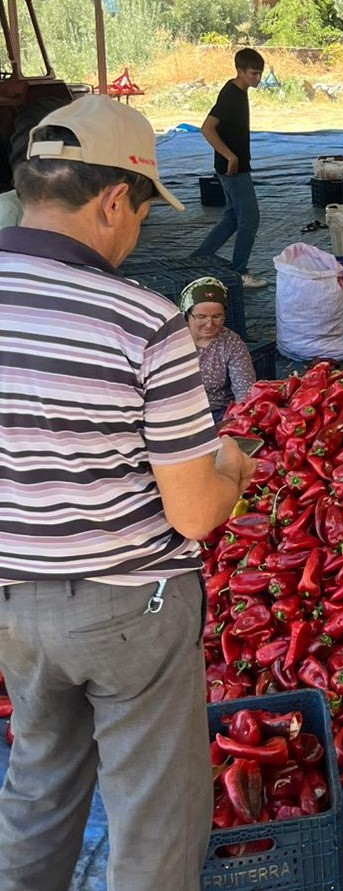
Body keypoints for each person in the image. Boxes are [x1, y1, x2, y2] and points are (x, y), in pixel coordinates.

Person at [0, 95, 258, 891]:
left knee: (37, 789)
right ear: (115, 199)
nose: (137, 233)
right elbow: (193, 511)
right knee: (153, 814)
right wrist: (236, 469)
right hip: (130, 609)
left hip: (15, 604)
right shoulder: (142, 320)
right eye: (142, 213)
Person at [194, 47, 267, 289]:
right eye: (253, 74)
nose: (257, 78)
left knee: (233, 218)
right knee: (250, 219)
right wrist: (230, 157)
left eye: (259, 74)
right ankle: (239, 272)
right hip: (234, 169)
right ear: (240, 71)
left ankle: (199, 257)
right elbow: (207, 128)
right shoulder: (230, 95)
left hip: (236, 164)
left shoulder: (240, 91)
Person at [179, 276, 256, 423]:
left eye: (217, 316)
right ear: (187, 314)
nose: (209, 324)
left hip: (217, 414)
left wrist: (238, 418)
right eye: (201, 316)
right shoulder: (171, 341)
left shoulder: (231, 342)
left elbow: (244, 389)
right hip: (176, 412)